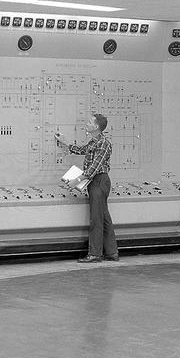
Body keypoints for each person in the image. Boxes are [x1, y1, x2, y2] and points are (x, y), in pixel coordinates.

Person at [55, 113, 118, 263]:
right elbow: (81, 150)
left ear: (96, 127)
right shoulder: (94, 142)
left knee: (96, 218)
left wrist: (76, 180)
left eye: (90, 122)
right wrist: (65, 143)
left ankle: (95, 254)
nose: (87, 123)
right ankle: (112, 252)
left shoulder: (104, 143)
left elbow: (94, 168)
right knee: (104, 217)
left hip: (99, 181)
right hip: (95, 181)